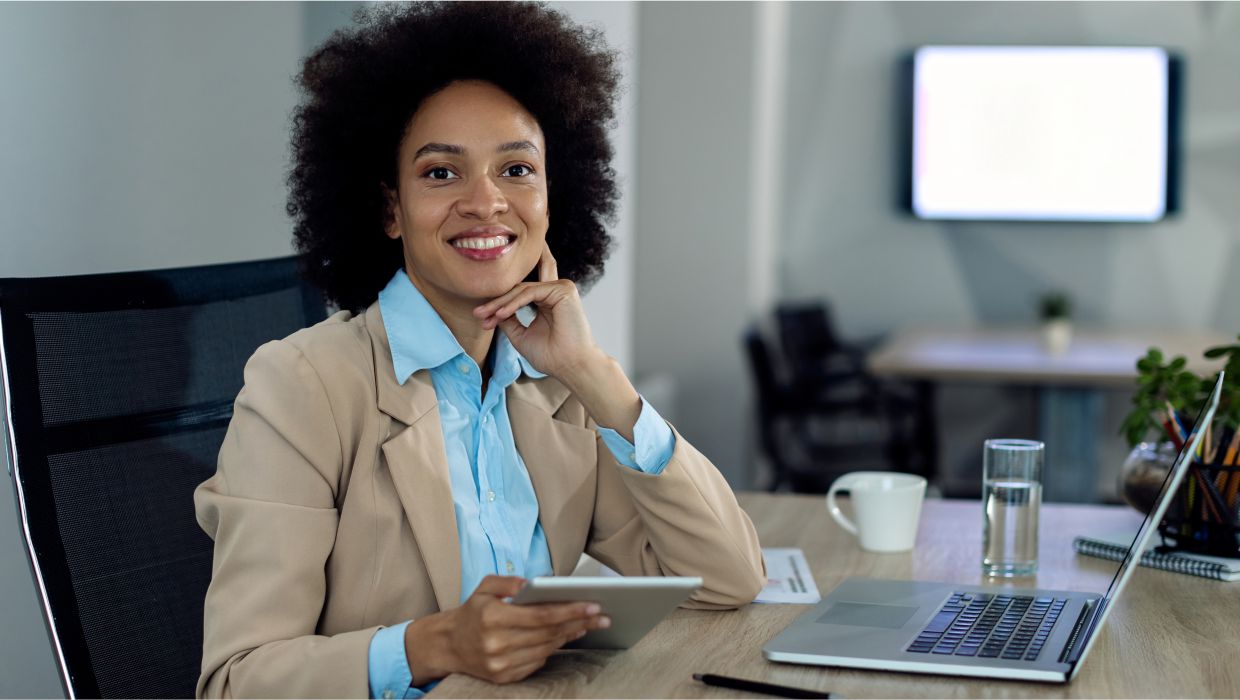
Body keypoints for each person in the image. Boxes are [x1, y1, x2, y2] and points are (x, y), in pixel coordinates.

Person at [193, 3, 765, 698]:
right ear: (389, 209)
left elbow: (729, 577)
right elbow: (237, 681)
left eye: (517, 169)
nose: (486, 202)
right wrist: (431, 646)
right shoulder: (301, 387)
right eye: (441, 174)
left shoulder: (555, 385)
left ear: (553, 199)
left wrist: (594, 375)